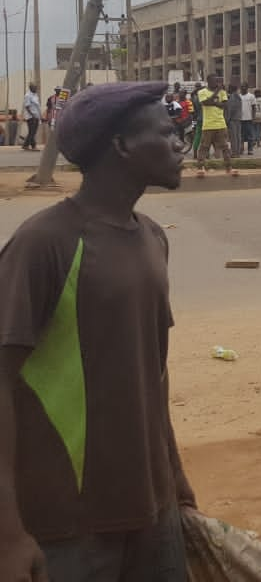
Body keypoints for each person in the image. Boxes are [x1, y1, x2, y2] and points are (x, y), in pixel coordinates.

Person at [0, 81, 195, 580]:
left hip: (154, 509)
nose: (181, 144)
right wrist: (9, 536)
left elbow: (154, 371)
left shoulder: (152, 237)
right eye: (167, 133)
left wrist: (174, 478)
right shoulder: (43, 244)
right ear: (121, 145)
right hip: (69, 525)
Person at [195, 74, 236, 178]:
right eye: (214, 81)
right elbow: (205, 103)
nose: (217, 83)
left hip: (221, 124)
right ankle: (200, 168)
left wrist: (213, 102)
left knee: (225, 147)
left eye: (218, 81)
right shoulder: (202, 92)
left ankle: (229, 168)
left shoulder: (223, 92)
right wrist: (216, 97)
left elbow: (225, 106)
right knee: (204, 147)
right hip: (208, 125)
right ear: (208, 81)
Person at [237, 83, 257, 156]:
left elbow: (254, 108)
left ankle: (250, 149)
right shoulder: (238, 96)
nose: (242, 88)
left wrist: (253, 118)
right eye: (241, 87)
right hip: (240, 119)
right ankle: (241, 149)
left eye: (244, 87)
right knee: (240, 135)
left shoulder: (251, 96)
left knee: (250, 136)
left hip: (249, 119)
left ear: (247, 88)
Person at [21, 83, 40, 151]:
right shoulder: (28, 96)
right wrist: (32, 115)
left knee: (33, 132)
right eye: (35, 87)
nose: (36, 89)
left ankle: (26, 145)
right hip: (31, 117)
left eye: (36, 87)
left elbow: (36, 106)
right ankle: (33, 146)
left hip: (36, 116)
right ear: (31, 88)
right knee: (32, 132)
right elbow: (27, 106)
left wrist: (38, 116)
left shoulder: (35, 95)